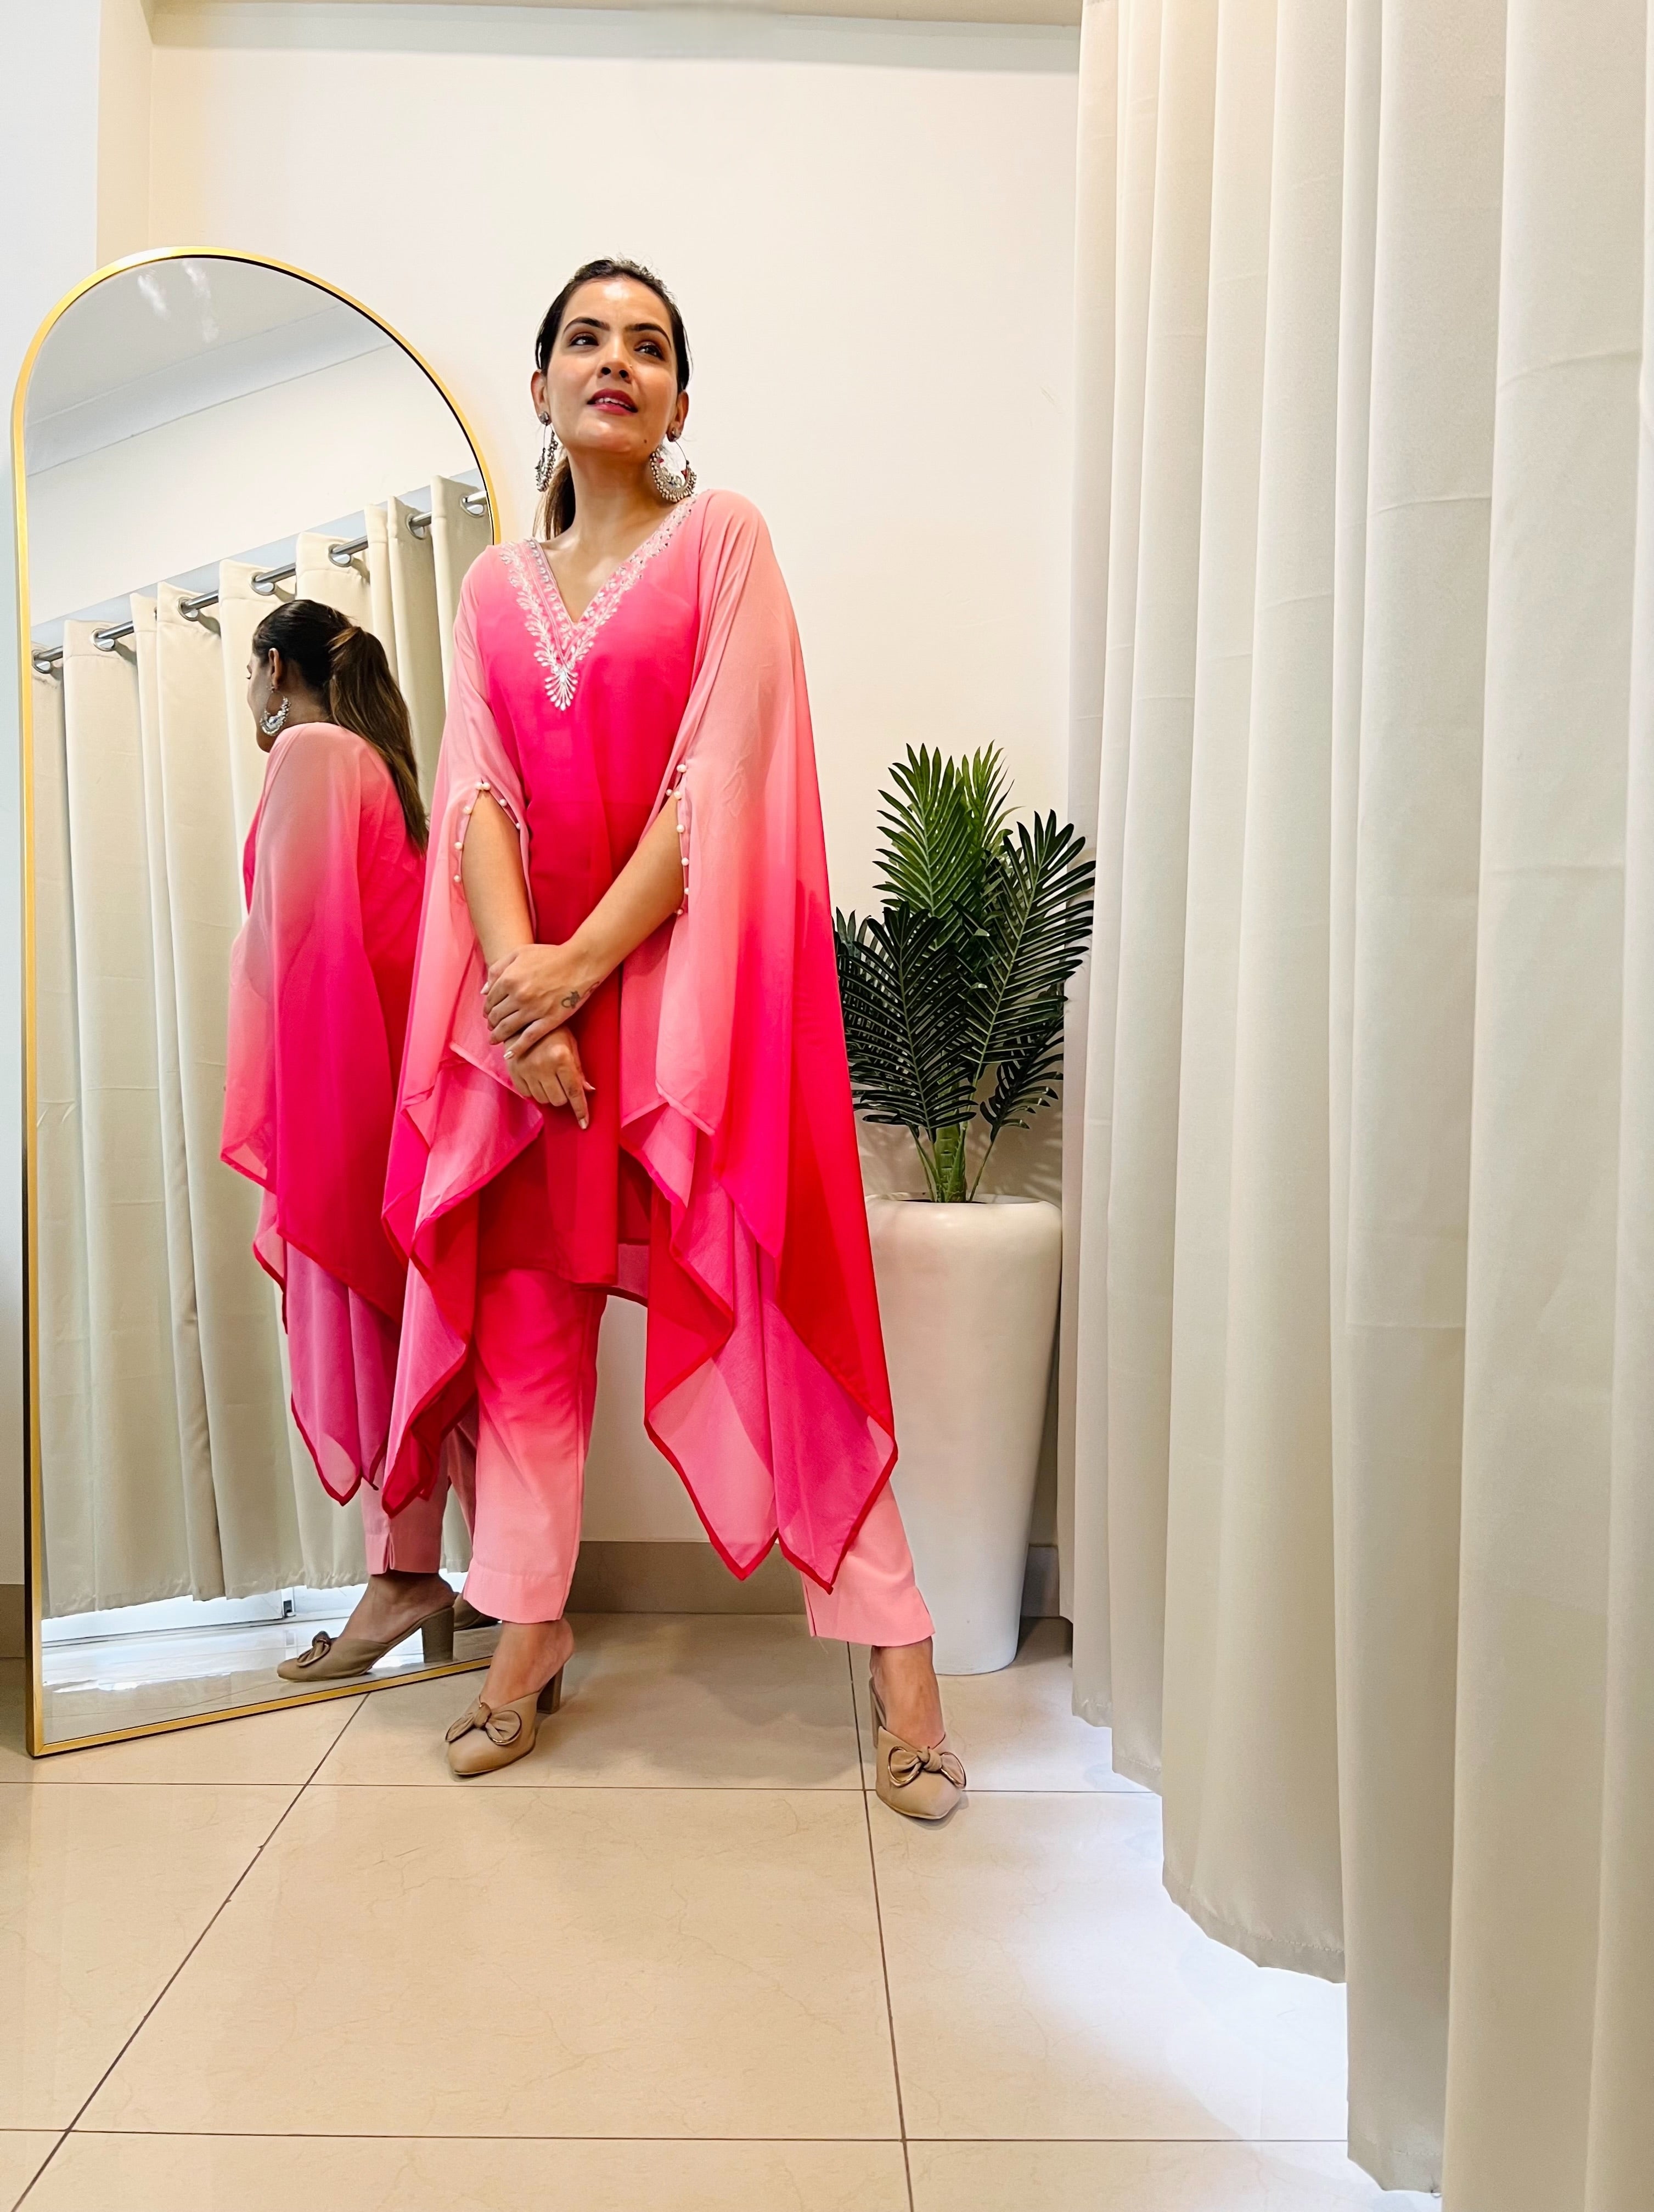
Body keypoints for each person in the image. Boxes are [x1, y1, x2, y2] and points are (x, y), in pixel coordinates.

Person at [381, 258, 963, 1815]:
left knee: (776, 1308)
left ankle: (899, 1653)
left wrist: (577, 970)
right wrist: (519, 996)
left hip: (688, 1015)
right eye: (585, 339)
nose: (614, 362)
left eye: (646, 346)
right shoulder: (490, 589)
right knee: (524, 1329)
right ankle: (527, 1629)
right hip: (531, 1014)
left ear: (680, 402)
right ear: (540, 386)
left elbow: (720, 782)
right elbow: (475, 791)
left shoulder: (723, 543)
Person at [222, 599, 480, 1684]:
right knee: (422, 1337)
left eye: (251, 676)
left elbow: (303, 946)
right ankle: (479, 1582)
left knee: (374, 1335)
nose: (251, 698)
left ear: (277, 670)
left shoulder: (314, 751)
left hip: (350, 1097)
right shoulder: (382, 767)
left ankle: (404, 1577)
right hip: (400, 1097)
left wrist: (308, 1123)